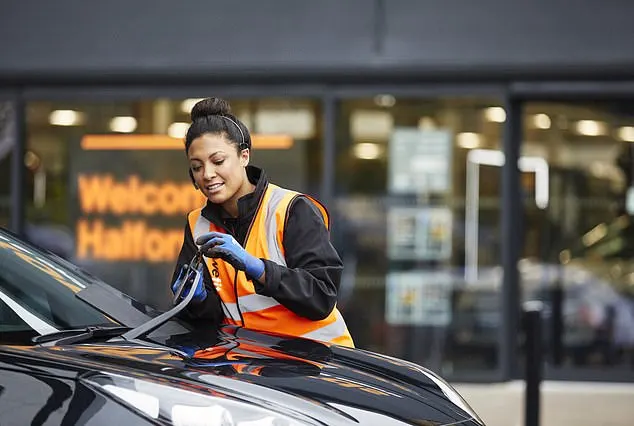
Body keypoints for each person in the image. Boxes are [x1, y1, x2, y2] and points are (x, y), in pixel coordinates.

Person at [170, 97, 354, 348]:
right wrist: (196, 300)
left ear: (244, 156)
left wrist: (258, 269)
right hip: (256, 365)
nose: (207, 174)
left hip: (319, 362)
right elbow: (210, 320)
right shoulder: (197, 224)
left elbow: (321, 297)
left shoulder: (291, 209)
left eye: (218, 161)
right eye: (196, 167)